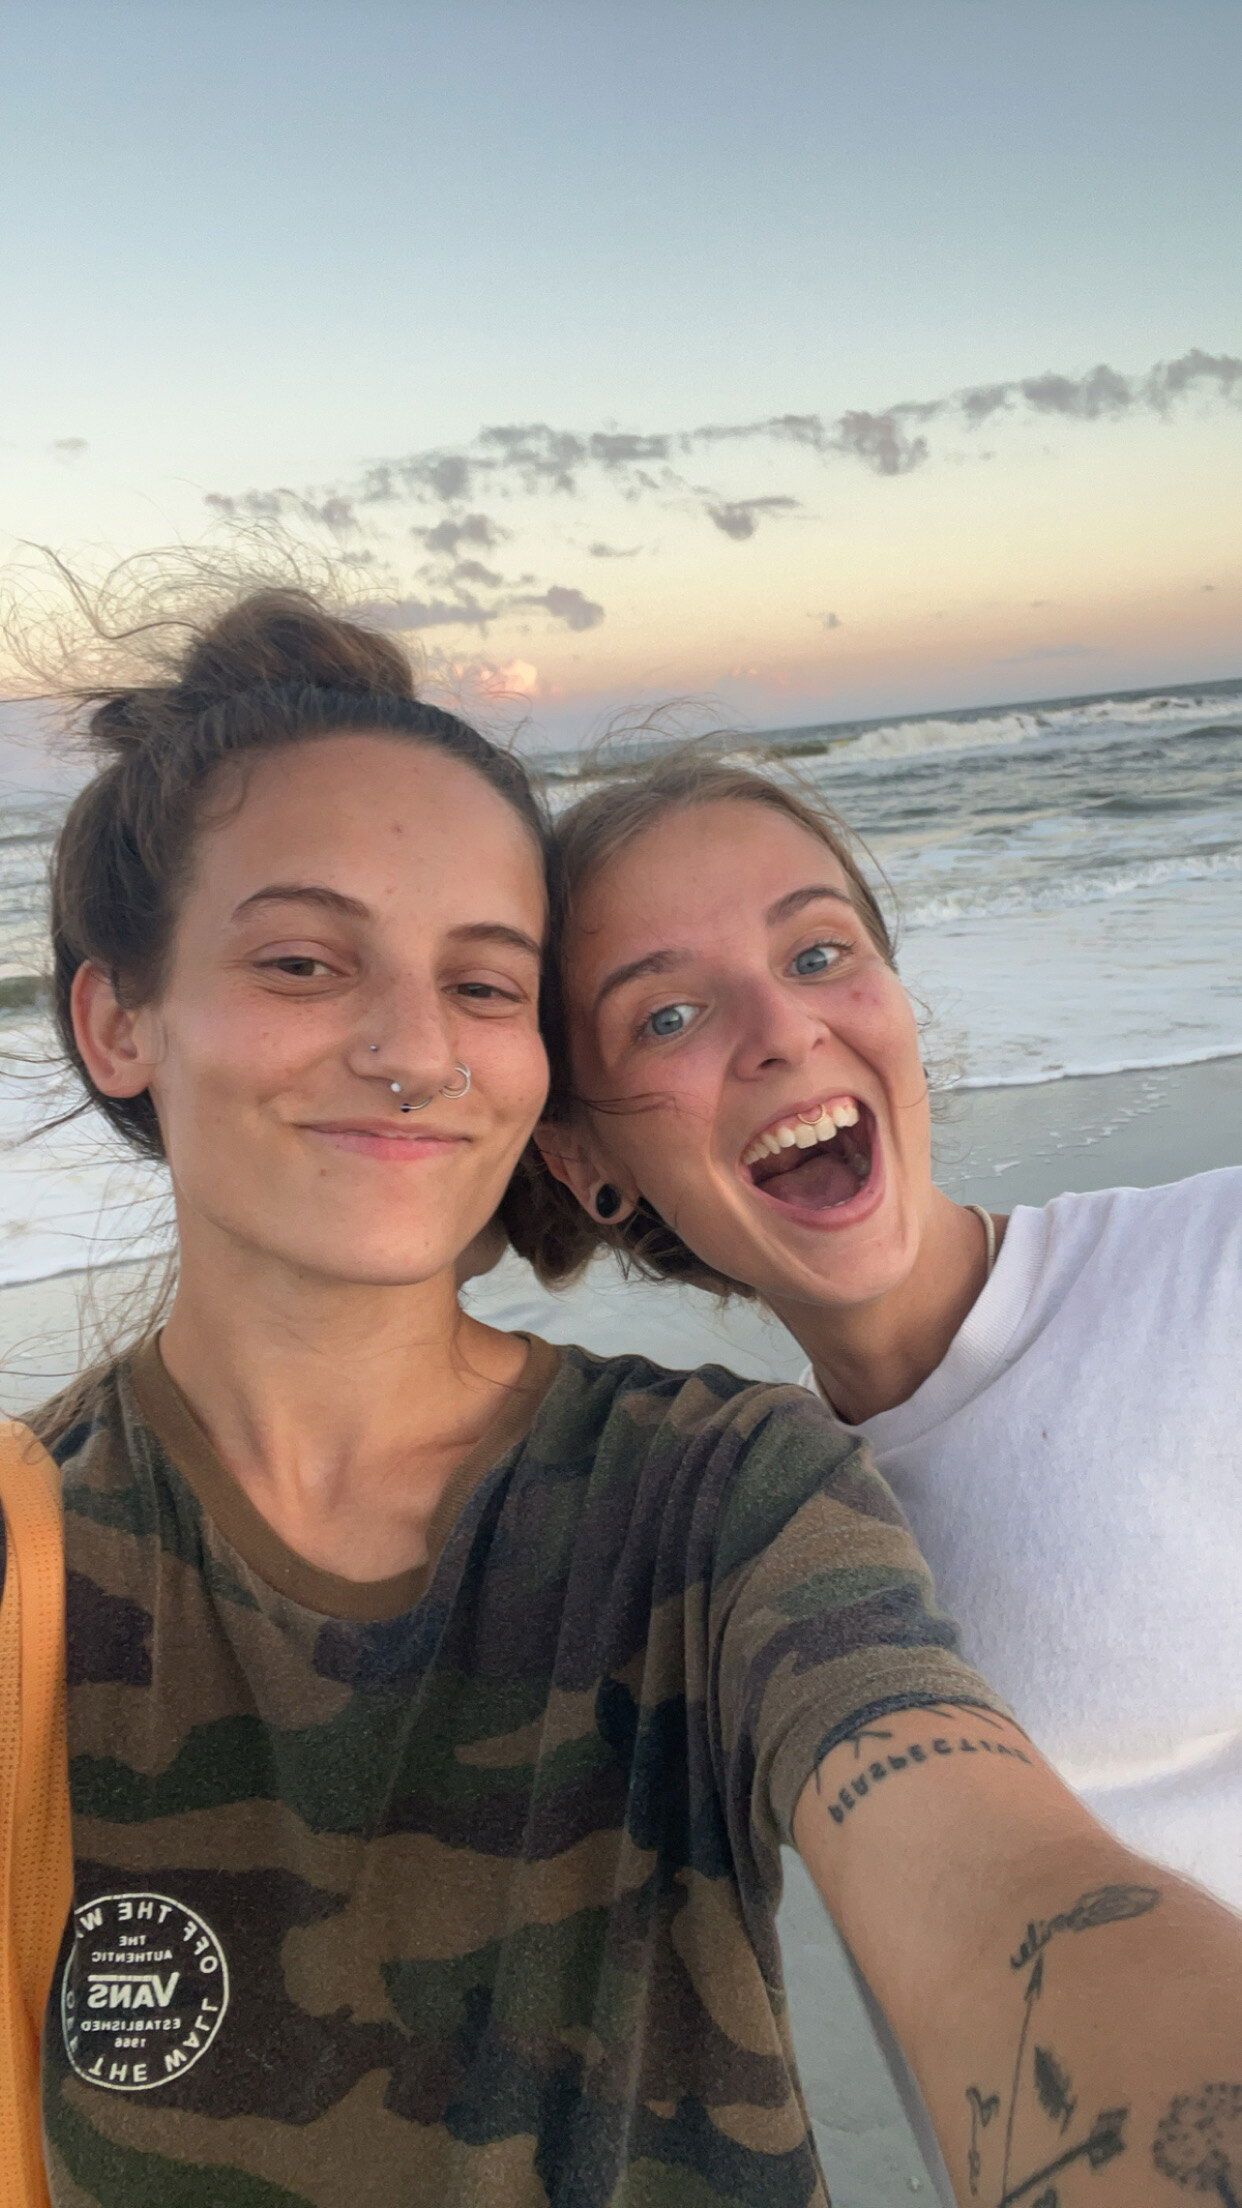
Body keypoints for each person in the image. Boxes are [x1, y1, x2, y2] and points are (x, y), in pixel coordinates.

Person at [4, 597, 1238, 2208]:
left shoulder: (724, 1499)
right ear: (117, 1021)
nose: (412, 1048)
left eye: (484, 984)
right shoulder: (31, 1550)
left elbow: (1001, 1894)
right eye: (303, 962)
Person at [521, 752, 1242, 1914]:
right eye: (668, 1015)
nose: (781, 1028)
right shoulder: (749, 1533)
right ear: (585, 1160)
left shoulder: (1212, 1267)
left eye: (817, 955)